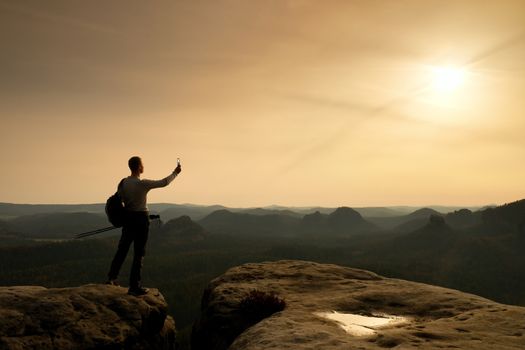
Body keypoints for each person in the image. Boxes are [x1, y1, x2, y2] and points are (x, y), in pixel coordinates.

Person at [107, 156, 182, 295]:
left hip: (128, 219)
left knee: (122, 249)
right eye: (142, 164)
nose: (143, 166)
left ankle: (111, 278)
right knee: (139, 253)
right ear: (139, 167)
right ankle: (134, 286)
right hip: (141, 219)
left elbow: (119, 200)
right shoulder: (142, 183)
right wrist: (176, 172)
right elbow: (164, 182)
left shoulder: (123, 183)